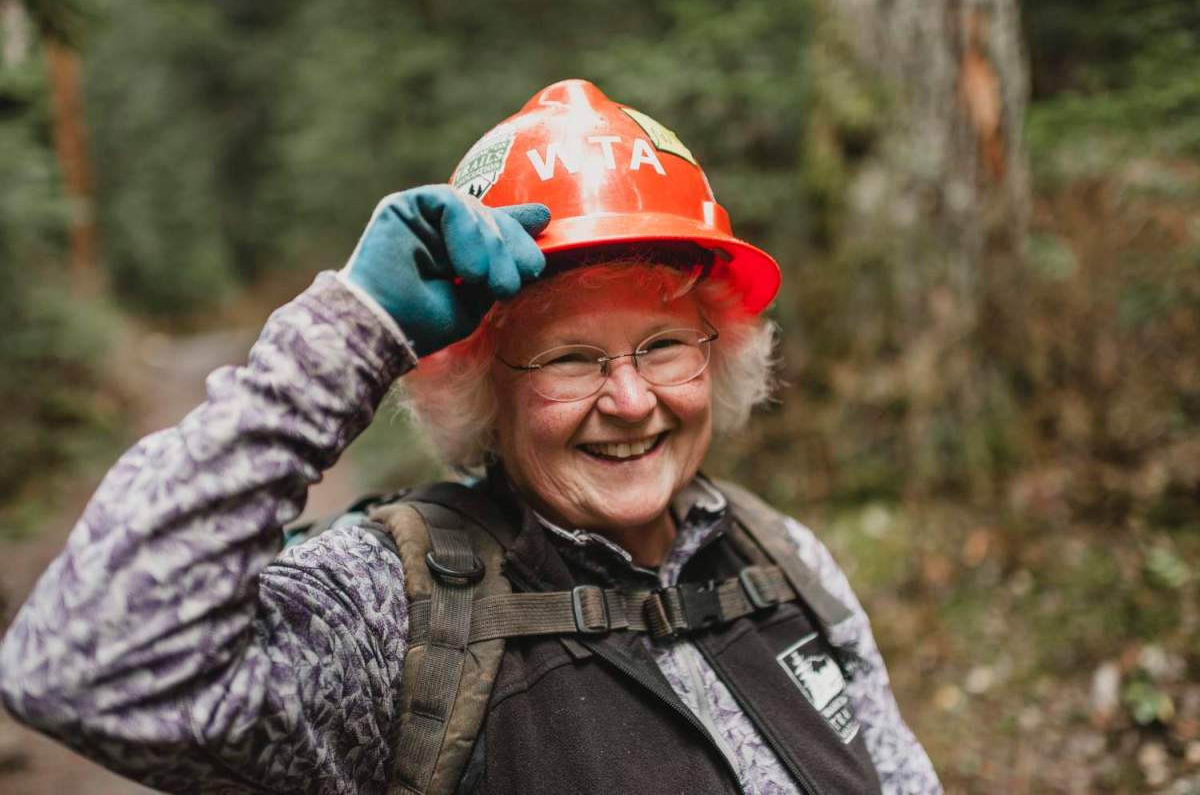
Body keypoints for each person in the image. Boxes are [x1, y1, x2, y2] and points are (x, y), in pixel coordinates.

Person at [0, 79, 941, 795]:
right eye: (569, 358)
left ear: (719, 354)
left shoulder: (782, 561)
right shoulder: (397, 611)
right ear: (482, 386)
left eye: (663, 346)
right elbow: (86, 668)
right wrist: (354, 331)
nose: (629, 400)